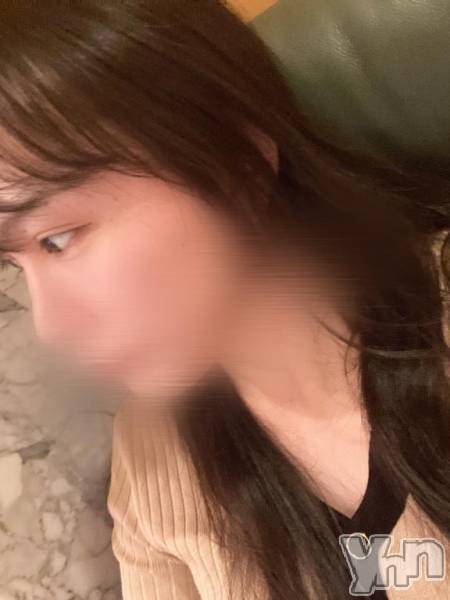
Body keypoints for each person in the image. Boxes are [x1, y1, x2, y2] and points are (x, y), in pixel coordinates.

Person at [0, 1, 448, 599]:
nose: (51, 327)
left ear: (238, 161)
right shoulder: (152, 459)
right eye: (14, 263)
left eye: (58, 239)